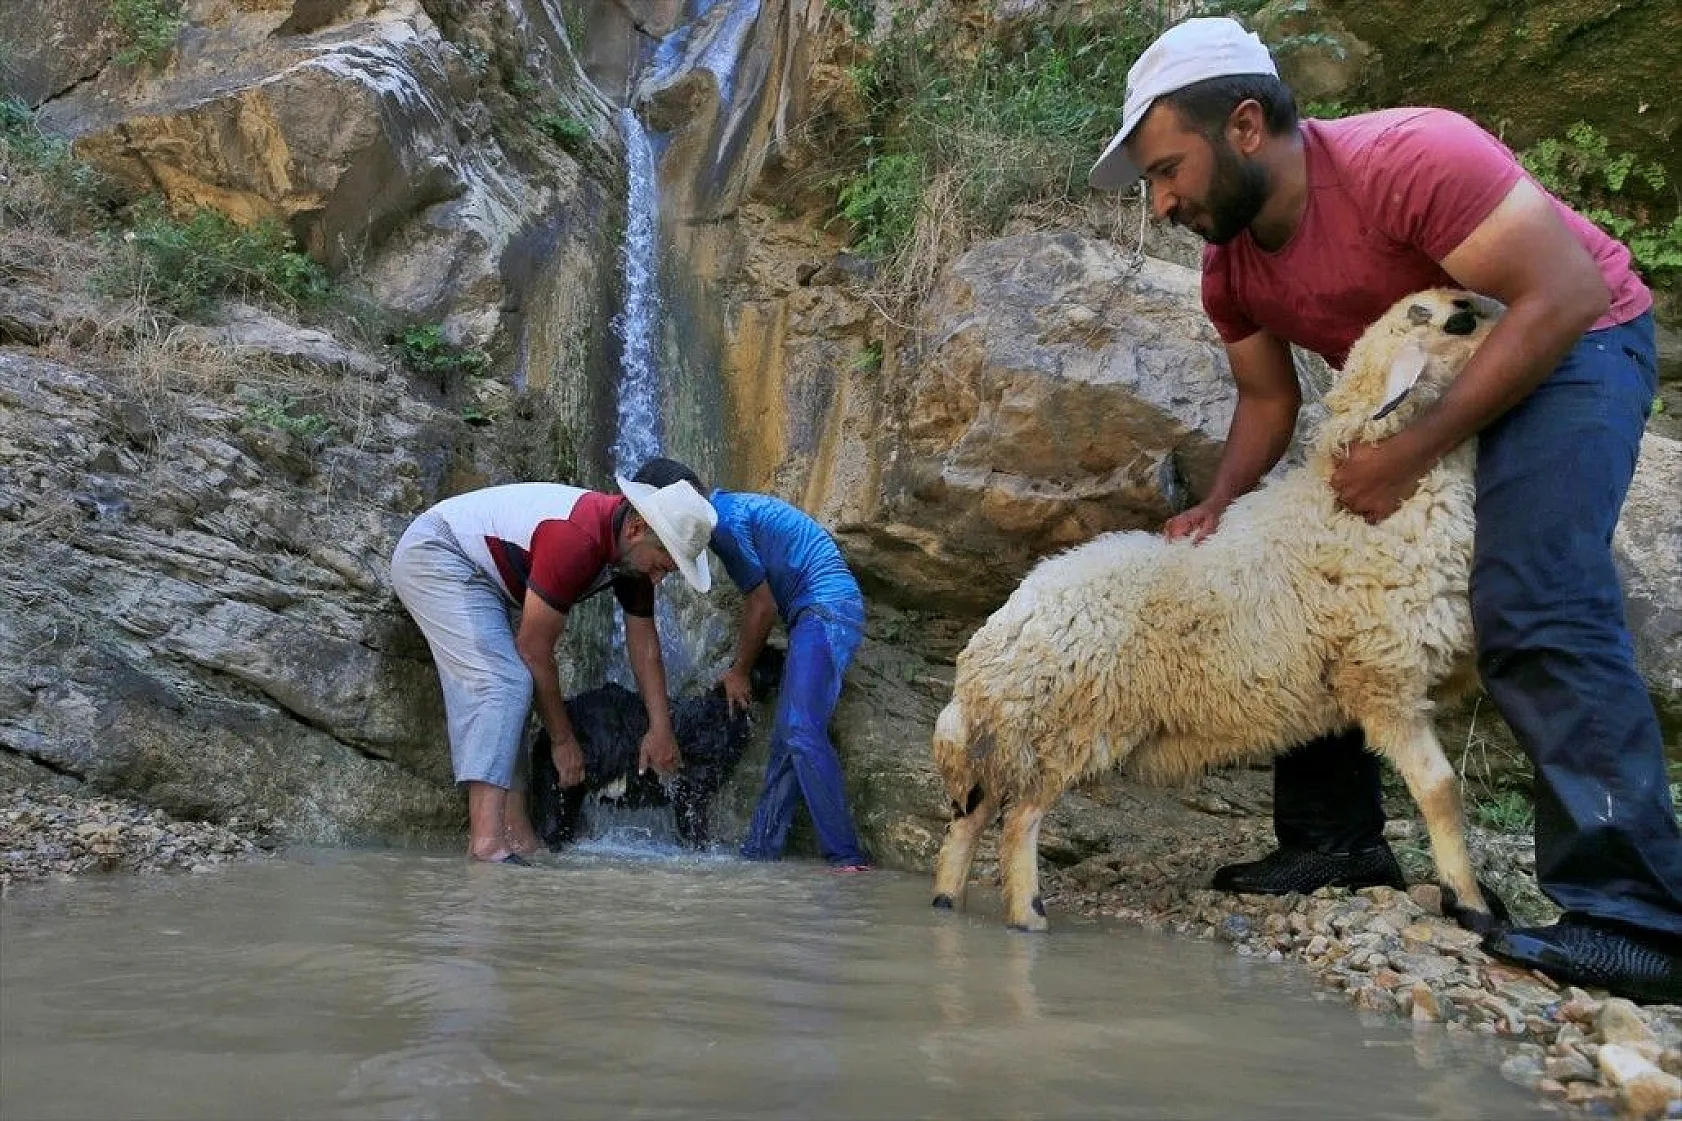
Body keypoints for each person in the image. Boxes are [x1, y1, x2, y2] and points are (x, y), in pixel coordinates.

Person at [1088, 17, 1680, 1001]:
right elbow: (1267, 400)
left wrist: (1405, 454)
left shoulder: (1410, 157)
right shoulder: (1231, 263)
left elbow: (1562, 293)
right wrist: (1220, 504)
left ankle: (1637, 918)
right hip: (1427, 387)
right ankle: (1334, 843)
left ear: (1244, 125)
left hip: (1573, 345)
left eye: (1165, 170)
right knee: (1309, 573)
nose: (1160, 202)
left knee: (1532, 586)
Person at [390, 477, 717, 864]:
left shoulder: (632, 558)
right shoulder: (577, 539)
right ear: (636, 529)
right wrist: (563, 741)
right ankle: (486, 844)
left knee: (514, 688)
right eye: (661, 566)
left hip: (483, 577)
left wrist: (660, 729)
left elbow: (645, 645)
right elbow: (533, 651)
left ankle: (517, 835)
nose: (658, 579)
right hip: (439, 553)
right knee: (504, 684)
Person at [633, 458, 873, 871]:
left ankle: (847, 857)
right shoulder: (727, 512)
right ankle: (761, 853)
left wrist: (739, 671)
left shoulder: (725, 523)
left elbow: (762, 606)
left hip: (827, 607)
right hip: (814, 612)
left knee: (801, 730)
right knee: (789, 738)